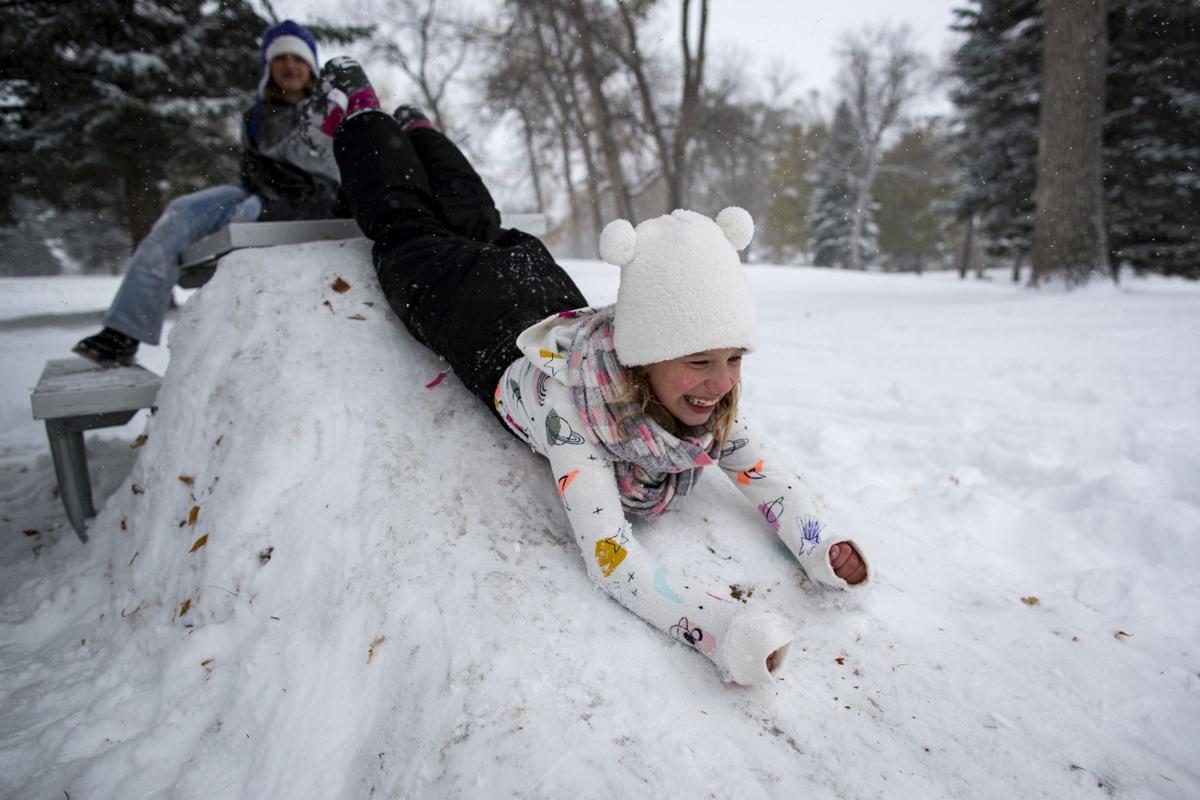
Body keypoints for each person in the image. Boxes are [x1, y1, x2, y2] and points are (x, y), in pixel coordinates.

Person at [322, 59, 870, 686]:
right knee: (405, 223)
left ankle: (418, 132)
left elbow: (764, 475)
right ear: (642, 354)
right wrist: (719, 628)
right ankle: (365, 117)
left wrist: (818, 543)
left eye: (732, 359)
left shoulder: (701, 395)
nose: (720, 385)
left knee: (481, 224)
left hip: (539, 291)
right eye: (699, 362)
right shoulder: (573, 415)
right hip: (469, 315)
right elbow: (612, 560)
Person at [73, 19, 348, 367]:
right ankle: (123, 333)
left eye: (298, 58)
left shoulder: (330, 112)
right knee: (183, 210)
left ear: (311, 66)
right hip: (262, 193)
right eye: (281, 58)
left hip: (315, 203)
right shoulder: (257, 115)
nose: (290, 65)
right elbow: (253, 170)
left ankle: (244, 339)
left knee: (245, 215)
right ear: (269, 67)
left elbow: (335, 175)